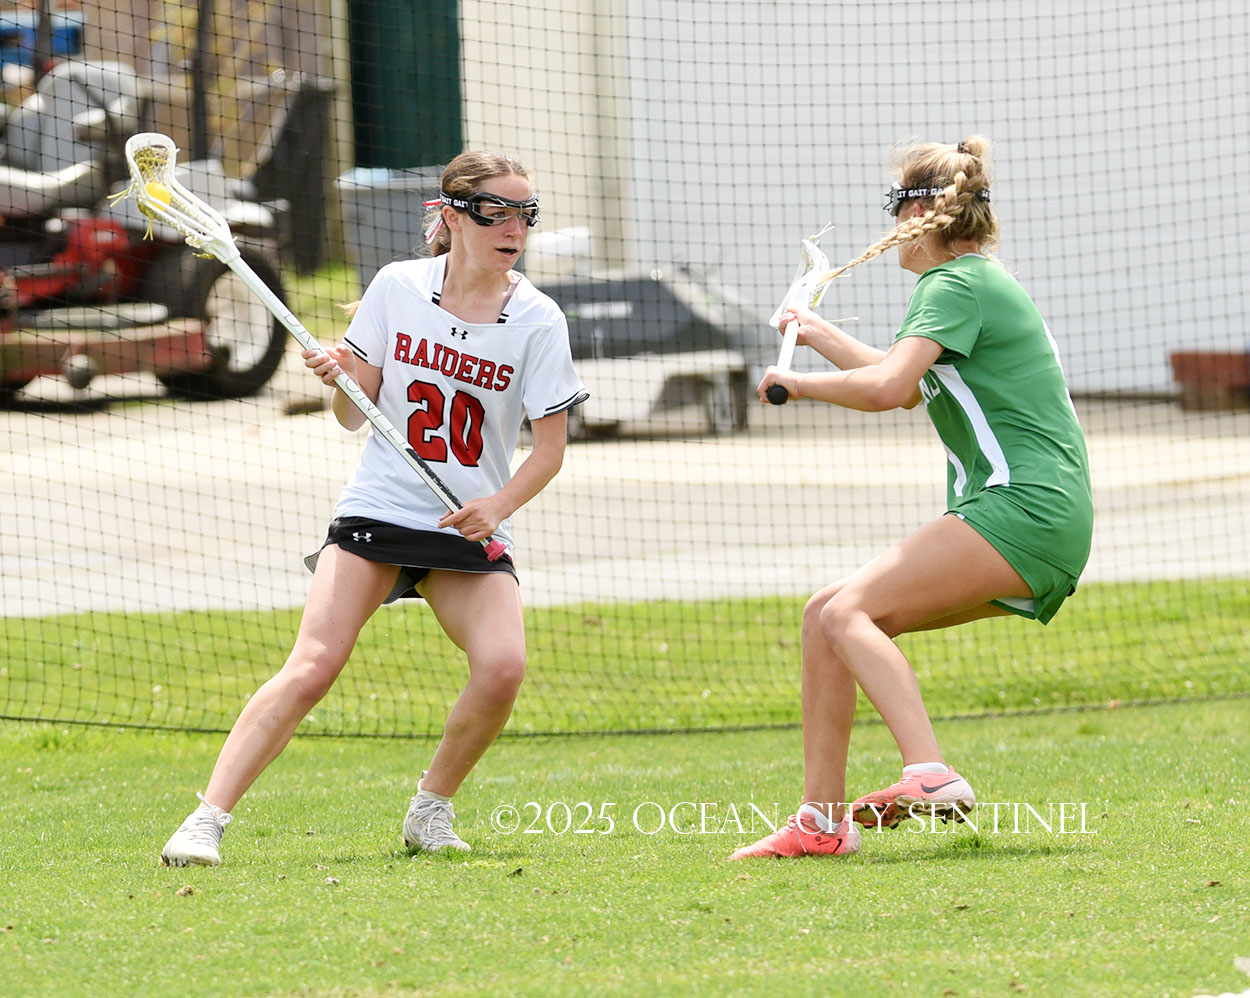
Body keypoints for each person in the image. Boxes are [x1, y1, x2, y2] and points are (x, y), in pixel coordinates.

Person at [161, 151, 588, 866]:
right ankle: (206, 820)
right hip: (381, 510)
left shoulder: (538, 319)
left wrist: (498, 503)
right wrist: (341, 378)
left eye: (526, 214)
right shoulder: (397, 287)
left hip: (464, 523)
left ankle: (431, 809)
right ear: (453, 216)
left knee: (503, 667)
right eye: (496, 213)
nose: (514, 228)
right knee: (313, 665)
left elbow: (549, 450)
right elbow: (351, 417)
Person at [731, 136, 1093, 860]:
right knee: (824, 617)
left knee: (850, 612)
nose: (892, 224)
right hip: (1040, 515)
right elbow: (905, 383)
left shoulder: (952, 286)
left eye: (896, 206)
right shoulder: (974, 281)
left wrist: (797, 384)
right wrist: (818, 334)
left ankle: (929, 772)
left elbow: (887, 389)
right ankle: (819, 824)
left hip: (1022, 507)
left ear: (921, 214)